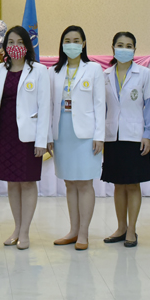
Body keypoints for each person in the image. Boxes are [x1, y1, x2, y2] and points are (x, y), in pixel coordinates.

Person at [0, 26, 50, 250]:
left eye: (19, 42)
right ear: (5, 46)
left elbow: (45, 108)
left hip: (29, 136)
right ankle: (16, 228)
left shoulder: (40, 71)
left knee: (28, 181)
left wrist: (42, 140)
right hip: (4, 133)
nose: (15, 47)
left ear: (27, 46)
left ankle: (25, 231)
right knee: (12, 183)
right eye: (10, 42)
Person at [47, 26, 105, 251]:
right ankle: (72, 230)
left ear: (83, 43)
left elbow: (100, 105)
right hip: (63, 132)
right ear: (62, 44)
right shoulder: (53, 72)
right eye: (67, 40)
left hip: (86, 134)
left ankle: (84, 233)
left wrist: (99, 135)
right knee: (70, 183)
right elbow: (50, 105)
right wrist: (49, 136)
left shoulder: (94, 69)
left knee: (85, 183)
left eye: (76, 40)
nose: (72, 44)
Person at [101, 32, 150, 248]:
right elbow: (102, 107)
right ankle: (120, 227)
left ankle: (132, 229)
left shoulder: (143, 74)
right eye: (120, 45)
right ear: (113, 47)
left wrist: (148, 134)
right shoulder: (104, 75)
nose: (124, 48)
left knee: (133, 185)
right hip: (112, 136)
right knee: (118, 185)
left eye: (129, 45)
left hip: (135, 137)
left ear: (134, 49)